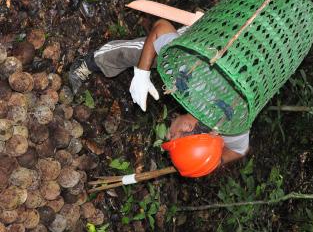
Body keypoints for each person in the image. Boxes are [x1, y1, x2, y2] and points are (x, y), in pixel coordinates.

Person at [69, 19, 250, 165]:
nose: (168, 133)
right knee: (153, 54)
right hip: (209, 39)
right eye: (172, 135)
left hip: (234, 61)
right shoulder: (188, 75)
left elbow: (240, 150)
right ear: (188, 127)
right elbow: (161, 26)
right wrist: (142, 72)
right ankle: (90, 62)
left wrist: (213, 160)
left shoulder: (233, 125)